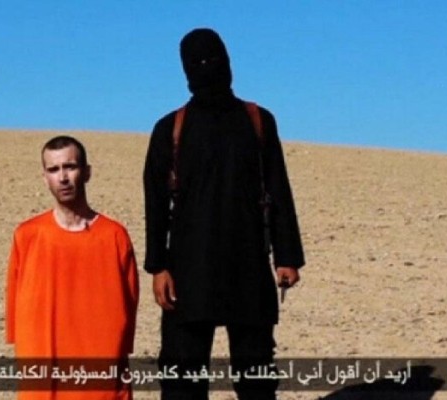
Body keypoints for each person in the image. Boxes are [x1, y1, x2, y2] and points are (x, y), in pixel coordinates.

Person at [143, 28, 306, 399]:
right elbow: (156, 203)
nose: (208, 68)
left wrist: (287, 257)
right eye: (198, 62)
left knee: (256, 379)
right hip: (188, 270)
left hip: (248, 265)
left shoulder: (258, 120)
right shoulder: (170, 129)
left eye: (215, 59)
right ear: (185, 69)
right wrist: (158, 267)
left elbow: (277, 188)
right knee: (182, 378)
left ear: (229, 62)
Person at [6, 135, 139, 400]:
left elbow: (129, 304)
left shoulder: (114, 236)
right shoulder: (27, 236)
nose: (63, 177)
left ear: (86, 172)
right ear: (45, 178)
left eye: (70, 167)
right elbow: (15, 312)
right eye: (53, 170)